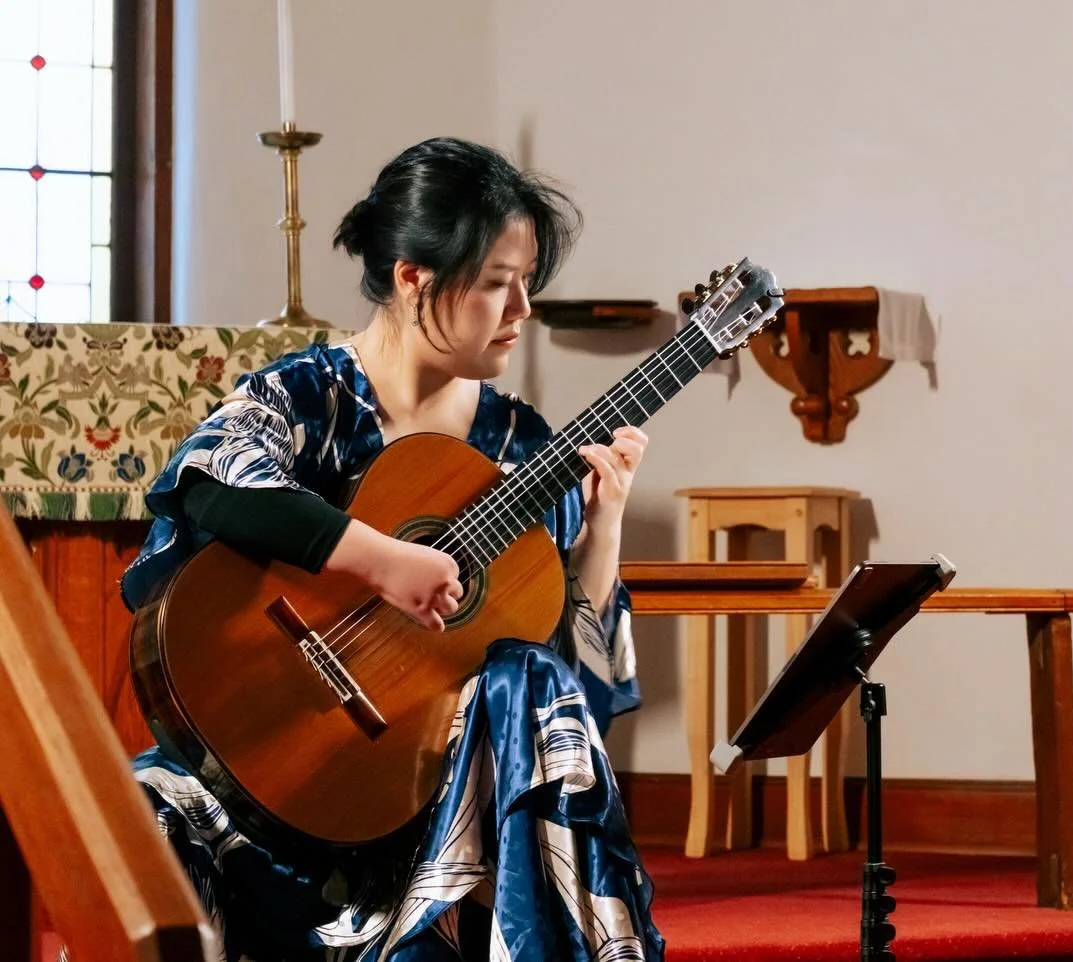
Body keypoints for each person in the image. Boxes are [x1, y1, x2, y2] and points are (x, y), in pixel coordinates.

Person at [119, 137, 664, 961]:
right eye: (495, 283)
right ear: (413, 277)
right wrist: (380, 558)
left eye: (526, 283)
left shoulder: (519, 445)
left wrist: (605, 527)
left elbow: (571, 698)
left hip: (433, 806)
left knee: (527, 679)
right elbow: (209, 485)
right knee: (147, 810)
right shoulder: (309, 395)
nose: (521, 310)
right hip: (272, 757)